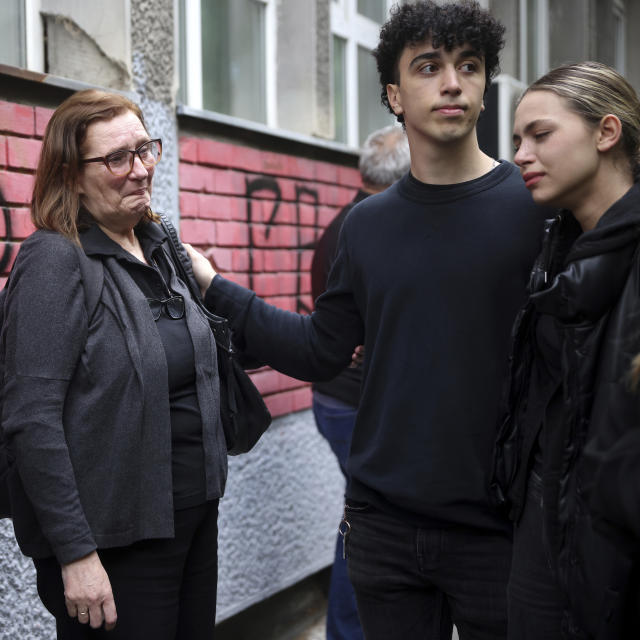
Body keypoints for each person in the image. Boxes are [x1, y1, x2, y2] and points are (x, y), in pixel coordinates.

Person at [186, 2, 547, 638]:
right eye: (429, 67)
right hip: (386, 529)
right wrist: (217, 288)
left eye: (469, 66)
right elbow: (322, 350)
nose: (452, 82)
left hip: (502, 529)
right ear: (393, 93)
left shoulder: (532, 207)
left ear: (486, 86)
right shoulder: (367, 225)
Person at [0, 89, 226, 639]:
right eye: (118, 158)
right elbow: (31, 416)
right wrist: (75, 553)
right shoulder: (55, 259)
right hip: (116, 545)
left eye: (146, 150)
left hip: (193, 518)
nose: (141, 170)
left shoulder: (159, 246)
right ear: (70, 175)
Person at [494, 61, 640, 639]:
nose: (521, 155)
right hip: (545, 523)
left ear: (606, 133)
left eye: (541, 135)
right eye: (516, 141)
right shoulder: (558, 248)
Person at [309, 124, 408, 640]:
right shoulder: (369, 228)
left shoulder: (343, 223)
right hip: (355, 404)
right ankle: (348, 632)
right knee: (367, 522)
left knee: (363, 516)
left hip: (337, 401)